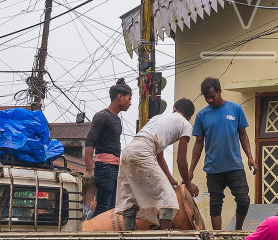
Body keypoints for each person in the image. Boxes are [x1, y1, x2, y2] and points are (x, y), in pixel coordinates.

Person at [115, 98, 197, 230]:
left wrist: (171, 180)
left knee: (129, 199)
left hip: (128, 151)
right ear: (189, 118)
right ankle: (165, 237)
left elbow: (159, 156)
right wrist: (188, 184)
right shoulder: (186, 125)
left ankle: (127, 236)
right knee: (169, 200)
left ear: (174, 109)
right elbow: (181, 160)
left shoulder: (158, 118)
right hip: (144, 151)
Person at [189, 78, 254, 230]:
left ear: (219, 91)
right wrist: (191, 170)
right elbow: (198, 144)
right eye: (207, 98)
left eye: (213, 96)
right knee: (215, 204)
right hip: (213, 169)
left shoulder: (236, 109)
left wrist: (250, 157)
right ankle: (217, 236)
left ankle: (238, 230)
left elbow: (243, 135)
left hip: (235, 166)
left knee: (244, 199)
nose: (210, 100)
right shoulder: (202, 115)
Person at [84, 78, 132, 218]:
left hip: (115, 168)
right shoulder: (102, 116)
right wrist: (89, 169)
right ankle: (87, 232)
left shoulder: (117, 119)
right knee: (103, 209)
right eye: (128, 99)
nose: (130, 103)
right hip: (104, 168)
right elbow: (90, 141)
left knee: (111, 209)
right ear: (120, 97)